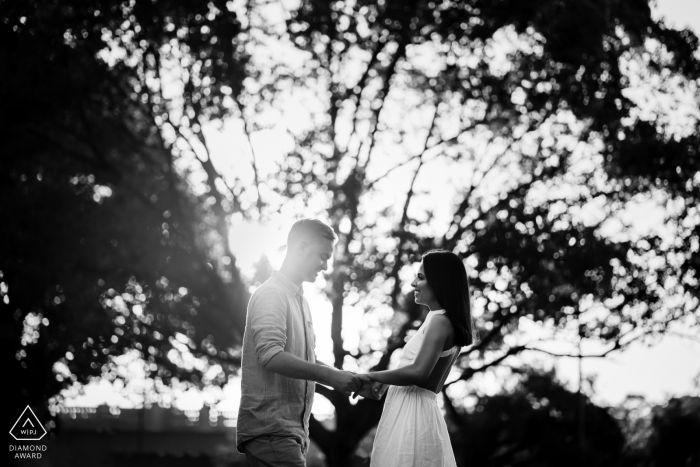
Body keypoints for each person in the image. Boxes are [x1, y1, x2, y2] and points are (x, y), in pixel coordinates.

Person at [236, 219, 364, 467]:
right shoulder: (272, 294)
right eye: (323, 256)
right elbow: (271, 355)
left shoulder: (301, 301)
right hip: (271, 429)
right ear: (303, 247)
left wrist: (345, 379)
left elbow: (306, 361)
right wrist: (331, 377)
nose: (325, 266)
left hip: (289, 433)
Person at [361, 249, 476, 467]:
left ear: (440, 282)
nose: (414, 283)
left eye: (421, 277)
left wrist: (370, 376)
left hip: (412, 416)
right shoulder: (442, 320)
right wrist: (385, 381)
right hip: (418, 411)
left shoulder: (439, 321)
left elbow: (419, 372)